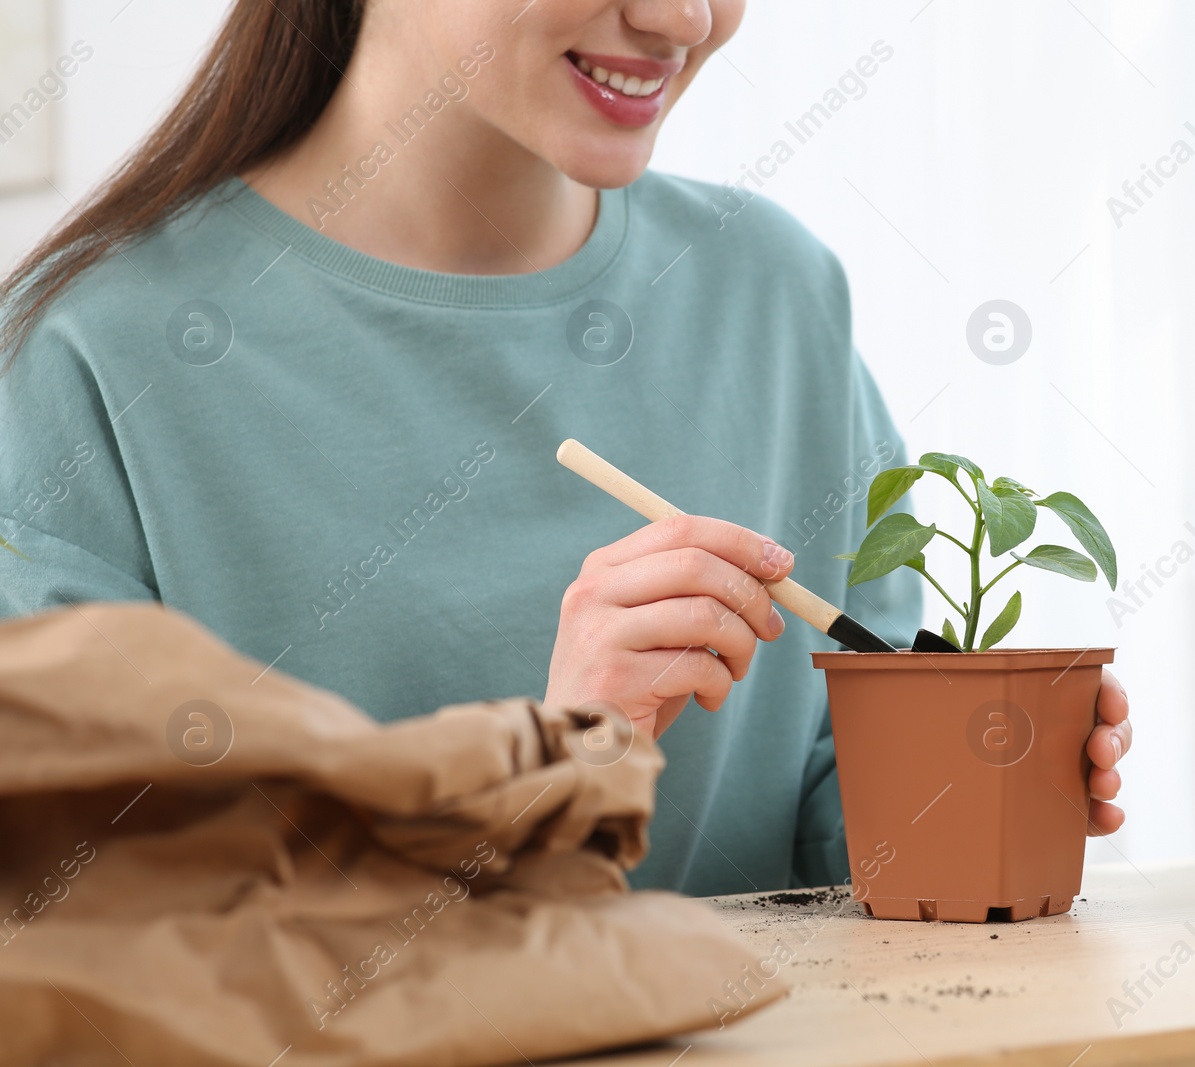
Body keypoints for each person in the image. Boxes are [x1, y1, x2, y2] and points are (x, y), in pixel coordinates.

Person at [0, 0, 1131, 895]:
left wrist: (982, 779)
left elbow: (849, 847)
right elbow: (109, 942)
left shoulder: (772, 293)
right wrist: (541, 774)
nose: (684, 19)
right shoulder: (97, 356)